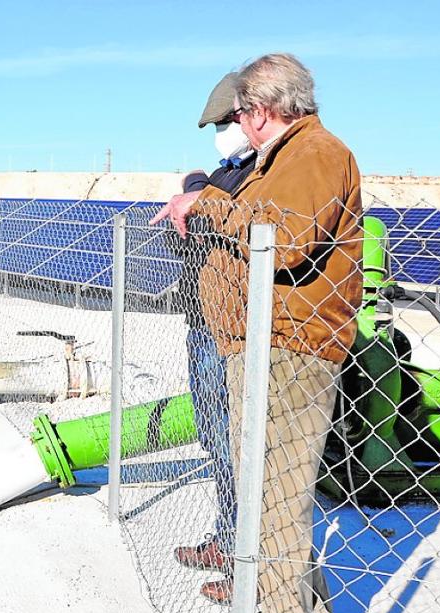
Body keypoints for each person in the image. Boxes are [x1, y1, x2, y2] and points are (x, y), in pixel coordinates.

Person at [154, 53, 363, 613]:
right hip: (260, 344)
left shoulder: (317, 154)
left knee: (277, 503)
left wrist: (205, 204)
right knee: (266, 501)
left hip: (290, 348)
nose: (237, 126)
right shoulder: (284, 158)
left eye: (241, 113)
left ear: (262, 109)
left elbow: (287, 238)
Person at [170, 72, 256, 580]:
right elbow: (203, 205)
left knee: (236, 445)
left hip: (234, 332)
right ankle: (227, 538)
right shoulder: (230, 172)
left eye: (226, 121)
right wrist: (196, 185)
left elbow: (243, 221)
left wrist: (198, 189)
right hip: (203, 324)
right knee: (214, 437)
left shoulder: (263, 175)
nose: (221, 132)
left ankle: (245, 565)